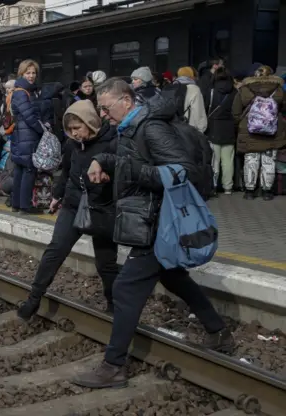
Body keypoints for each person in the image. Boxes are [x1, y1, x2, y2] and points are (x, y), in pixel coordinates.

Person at [71, 78, 233, 388]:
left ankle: (113, 366)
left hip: (158, 223)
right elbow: (121, 157)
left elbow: (184, 170)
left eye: (106, 108)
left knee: (125, 289)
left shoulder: (151, 128)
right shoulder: (130, 127)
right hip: (150, 219)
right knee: (173, 277)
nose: (103, 114)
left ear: (127, 102)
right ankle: (218, 331)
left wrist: (132, 172)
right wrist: (100, 159)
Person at [17, 99, 120, 320]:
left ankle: (114, 306)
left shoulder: (112, 142)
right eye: (70, 129)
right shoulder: (72, 144)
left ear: (90, 123)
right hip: (73, 205)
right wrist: (57, 195)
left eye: (78, 128)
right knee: (55, 251)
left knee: (106, 263)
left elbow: (121, 171)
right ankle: (34, 298)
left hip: (102, 208)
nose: (74, 133)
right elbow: (66, 171)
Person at [233, 65, 286, 201]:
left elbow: (236, 111)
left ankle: (250, 191)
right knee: (269, 162)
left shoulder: (244, 89)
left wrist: (241, 123)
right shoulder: (279, 90)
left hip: (250, 132)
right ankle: (266, 191)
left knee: (251, 161)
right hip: (273, 132)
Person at [11, 59, 43, 214]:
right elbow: (29, 116)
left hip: (20, 135)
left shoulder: (23, 91)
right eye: (28, 73)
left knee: (20, 169)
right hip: (27, 135)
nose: (31, 76)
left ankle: (16, 204)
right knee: (29, 169)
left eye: (33, 73)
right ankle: (25, 205)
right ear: (21, 74)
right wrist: (43, 131)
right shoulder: (22, 93)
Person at [203, 67, 238, 196]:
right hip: (229, 128)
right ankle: (228, 187)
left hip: (213, 127)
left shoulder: (211, 91)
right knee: (228, 160)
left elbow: (205, 108)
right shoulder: (235, 92)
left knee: (214, 160)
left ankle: (214, 186)